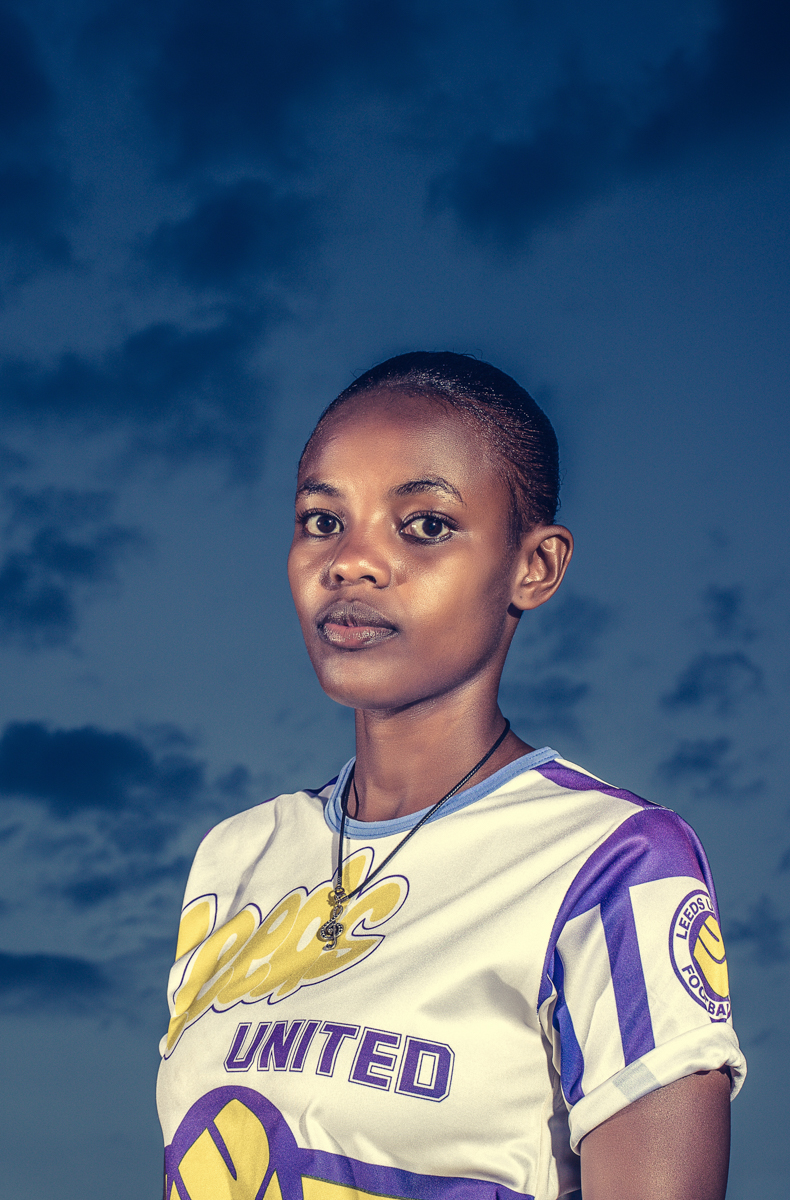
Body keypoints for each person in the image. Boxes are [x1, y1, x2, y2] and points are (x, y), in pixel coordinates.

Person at [157, 352, 745, 1200]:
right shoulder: (237, 855)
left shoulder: (613, 863)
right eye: (323, 521)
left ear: (533, 566)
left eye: (424, 524)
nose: (352, 563)